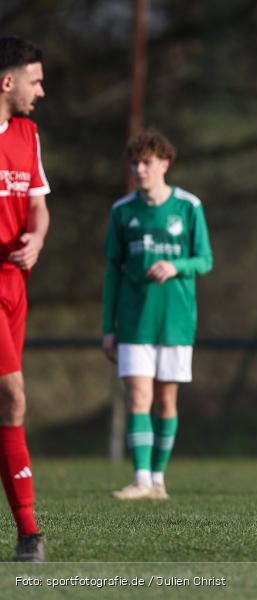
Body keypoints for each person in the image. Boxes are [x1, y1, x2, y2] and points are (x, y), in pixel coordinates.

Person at [102, 130, 213, 500]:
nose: (139, 169)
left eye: (147, 162)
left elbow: (205, 260)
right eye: (134, 163)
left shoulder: (188, 206)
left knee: (166, 401)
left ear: (164, 164)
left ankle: (158, 480)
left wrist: (176, 266)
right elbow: (112, 272)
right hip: (134, 320)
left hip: (177, 319)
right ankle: (141, 479)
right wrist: (107, 327)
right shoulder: (123, 211)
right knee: (138, 397)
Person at [0, 36, 49, 562]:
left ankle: (26, 534)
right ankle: (30, 532)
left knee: (8, 402)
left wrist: (35, 238)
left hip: (15, 286)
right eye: (35, 80)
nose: (42, 90)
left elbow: (38, 207)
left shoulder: (28, 133)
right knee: (13, 395)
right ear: (7, 82)